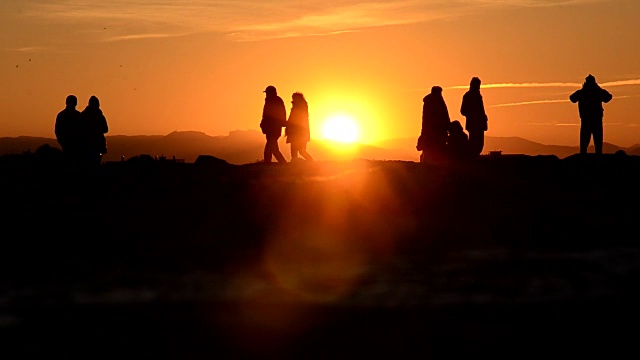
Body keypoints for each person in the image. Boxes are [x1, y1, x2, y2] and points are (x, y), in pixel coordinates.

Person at [569, 74, 613, 155]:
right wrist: (598, 89)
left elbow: (572, 98)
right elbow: (608, 97)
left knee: (586, 144)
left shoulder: (583, 92)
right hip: (595, 120)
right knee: (597, 143)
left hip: (587, 120)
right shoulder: (596, 92)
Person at [419, 86, 450, 163]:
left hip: (434, 131)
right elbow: (445, 115)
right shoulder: (436, 102)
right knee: (433, 148)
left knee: (432, 148)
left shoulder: (433, 102)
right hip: (435, 131)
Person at [460, 77, 488, 156]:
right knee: (474, 144)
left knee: (479, 144)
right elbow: (463, 111)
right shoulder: (468, 96)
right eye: (478, 85)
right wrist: (473, 115)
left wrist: (483, 116)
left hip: (479, 124)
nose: (479, 87)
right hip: (474, 125)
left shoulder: (477, 95)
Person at [260, 85, 287, 164]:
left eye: (267, 92)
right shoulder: (273, 100)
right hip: (271, 128)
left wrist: (264, 123)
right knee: (273, 147)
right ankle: (282, 163)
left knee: (269, 147)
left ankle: (269, 163)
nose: (266, 94)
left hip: (273, 128)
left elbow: (269, 115)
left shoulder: (275, 101)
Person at [285, 92, 314, 162]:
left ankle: (311, 162)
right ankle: (311, 162)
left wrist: (289, 126)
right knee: (300, 150)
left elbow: (294, 118)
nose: (292, 99)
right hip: (300, 132)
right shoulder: (302, 106)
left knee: (297, 150)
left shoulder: (298, 107)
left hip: (297, 132)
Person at [81, 95, 109, 166]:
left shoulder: (83, 115)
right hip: (91, 144)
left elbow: (105, 129)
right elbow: (105, 129)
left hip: (89, 145)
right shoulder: (99, 116)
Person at [54, 95, 83, 163]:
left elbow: (57, 130)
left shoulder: (62, 115)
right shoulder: (78, 115)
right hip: (68, 143)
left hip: (74, 144)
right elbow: (58, 130)